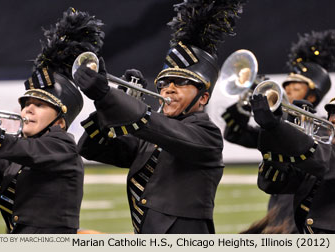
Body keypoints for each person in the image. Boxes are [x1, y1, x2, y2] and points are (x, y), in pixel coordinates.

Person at [76, 0, 247, 234]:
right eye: (164, 83)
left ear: (204, 97)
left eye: (182, 82)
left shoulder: (207, 136)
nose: (169, 89)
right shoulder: (149, 138)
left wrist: (108, 97)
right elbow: (90, 147)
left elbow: (158, 127)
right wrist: (109, 103)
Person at [0, 7, 104, 234]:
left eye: (39, 105)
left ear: (60, 121)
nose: (29, 108)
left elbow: (12, 146)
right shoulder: (19, 157)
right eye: (26, 104)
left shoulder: (62, 148)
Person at [221, 30, 334, 233]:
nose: (288, 91)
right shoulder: (283, 122)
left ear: (313, 94)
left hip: (310, 216)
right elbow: (236, 135)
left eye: (296, 87)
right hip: (280, 207)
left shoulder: (325, 131)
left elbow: (320, 159)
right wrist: (248, 112)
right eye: (287, 86)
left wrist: (278, 127)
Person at [250, 91, 335, 233]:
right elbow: (274, 183)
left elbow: (321, 163)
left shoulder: (323, 156)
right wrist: (272, 131)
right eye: (332, 114)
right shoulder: (323, 153)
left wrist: (280, 128)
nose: (332, 120)